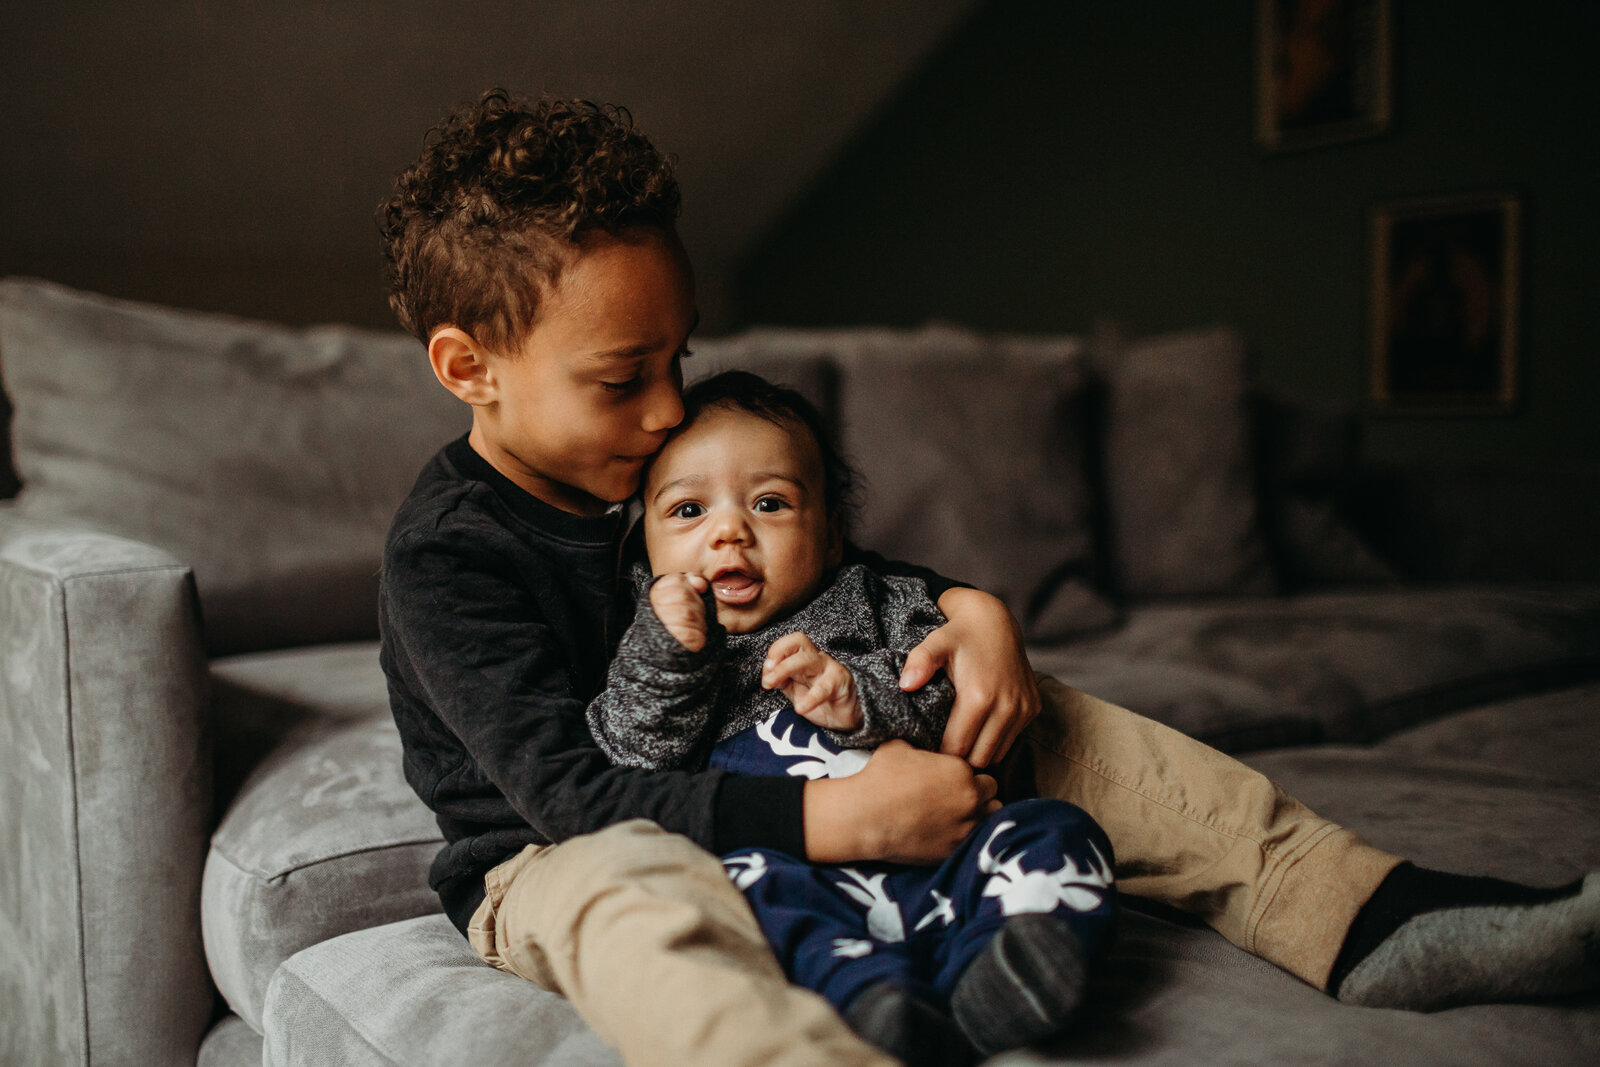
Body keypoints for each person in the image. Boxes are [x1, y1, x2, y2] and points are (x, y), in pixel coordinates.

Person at [377, 89, 1600, 1067]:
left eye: (679, 358)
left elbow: (824, 566)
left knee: (1057, 724)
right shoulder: (450, 552)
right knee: (634, 904)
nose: (666, 411)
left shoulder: (650, 454)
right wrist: (835, 819)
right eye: (622, 375)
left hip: (772, 750)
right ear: (466, 364)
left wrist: (972, 612)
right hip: (557, 848)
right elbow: (575, 797)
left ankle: (1364, 915)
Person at [587, 371, 1117, 1064]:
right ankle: (876, 1000)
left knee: (1059, 830)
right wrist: (667, 652)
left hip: (942, 850)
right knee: (738, 887)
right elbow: (630, 761)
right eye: (687, 511)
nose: (728, 532)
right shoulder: (647, 635)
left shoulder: (872, 600)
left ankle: (1004, 967)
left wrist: (859, 701)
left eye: (769, 503)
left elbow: (947, 703)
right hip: (796, 866)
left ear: (832, 536)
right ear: (643, 549)